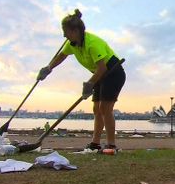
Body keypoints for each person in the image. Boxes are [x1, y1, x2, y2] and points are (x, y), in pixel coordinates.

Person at [37, 9, 126, 152]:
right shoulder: (72, 43)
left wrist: (90, 84)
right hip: (99, 74)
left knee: (105, 108)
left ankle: (111, 145)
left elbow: (102, 67)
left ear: (75, 31)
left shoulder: (92, 43)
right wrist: (48, 68)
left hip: (113, 72)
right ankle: (95, 143)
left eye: (65, 31)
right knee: (96, 109)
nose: (64, 35)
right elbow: (61, 56)